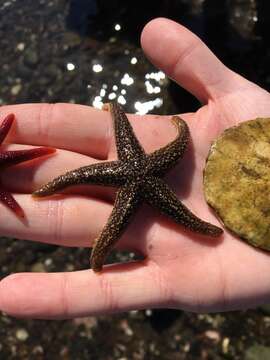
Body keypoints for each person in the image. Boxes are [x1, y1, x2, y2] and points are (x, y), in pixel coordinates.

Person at [0, 18, 270, 319]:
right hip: (140, 174)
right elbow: (155, 144)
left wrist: (180, 132)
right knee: (77, 177)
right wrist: (167, 127)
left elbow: (176, 145)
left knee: (80, 180)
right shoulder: (146, 169)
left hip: (137, 175)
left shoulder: (143, 171)